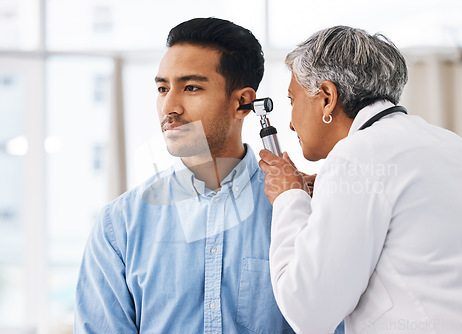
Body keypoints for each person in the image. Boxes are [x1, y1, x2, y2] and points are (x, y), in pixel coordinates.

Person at [259, 25, 462, 334]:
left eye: (292, 100)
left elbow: (307, 311)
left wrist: (288, 197)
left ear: (327, 97)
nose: (290, 123)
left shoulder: (355, 157)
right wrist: (332, 193)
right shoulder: (449, 143)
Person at [74, 17, 296, 333]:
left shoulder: (296, 209)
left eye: (191, 87)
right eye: (162, 88)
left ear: (243, 102)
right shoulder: (120, 224)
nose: (169, 107)